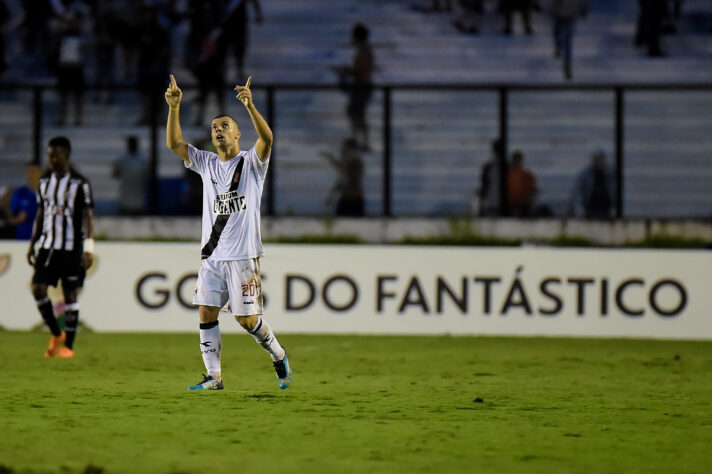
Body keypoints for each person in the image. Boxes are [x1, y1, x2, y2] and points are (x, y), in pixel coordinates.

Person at [165, 74, 292, 391]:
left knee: (246, 321)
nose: (217, 130)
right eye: (213, 128)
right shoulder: (206, 163)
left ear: (238, 134)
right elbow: (174, 144)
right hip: (212, 255)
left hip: (243, 257)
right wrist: (174, 108)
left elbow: (268, 139)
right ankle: (214, 377)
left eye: (224, 126)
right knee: (206, 312)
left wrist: (250, 105)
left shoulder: (251, 163)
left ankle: (278, 354)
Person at [26, 136, 95, 358]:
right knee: (38, 289)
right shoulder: (44, 181)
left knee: (70, 295)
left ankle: (69, 347)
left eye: (55, 155)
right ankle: (56, 333)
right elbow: (40, 214)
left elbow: (88, 216)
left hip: (72, 247)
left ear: (66, 155)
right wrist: (32, 243)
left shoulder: (80, 183)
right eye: (49, 155)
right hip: (48, 246)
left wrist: (89, 247)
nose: (51, 159)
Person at [334, 22, 374, 150]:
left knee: (357, 114)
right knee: (354, 114)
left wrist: (346, 71)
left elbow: (361, 71)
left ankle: (363, 141)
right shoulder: (363, 52)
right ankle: (358, 139)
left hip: (362, 87)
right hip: (361, 87)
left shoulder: (364, 52)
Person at [319, 138, 365, 216]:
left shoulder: (355, 162)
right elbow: (343, 174)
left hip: (352, 199)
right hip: (349, 198)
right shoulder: (351, 162)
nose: (342, 150)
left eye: (344, 148)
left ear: (351, 149)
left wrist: (332, 194)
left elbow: (347, 179)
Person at [547, 0, 588, 80]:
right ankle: (566, 63)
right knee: (565, 39)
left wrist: (550, 11)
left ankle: (565, 62)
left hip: (563, 13)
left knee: (564, 37)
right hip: (567, 13)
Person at [569, 149, 616, 219]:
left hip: (606, 211)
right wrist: (579, 209)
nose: (599, 161)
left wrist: (615, 209)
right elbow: (577, 193)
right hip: (590, 211)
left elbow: (615, 192)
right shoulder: (586, 175)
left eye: (600, 159)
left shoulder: (610, 175)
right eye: (596, 159)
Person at [112, 136, 148, 215]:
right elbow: (115, 174)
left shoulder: (122, 160)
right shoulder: (143, 160)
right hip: (129, 198)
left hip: (137, 198)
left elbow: (115, 174)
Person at [8, 163, 42, 239]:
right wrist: (19, 218)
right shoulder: (19, 193)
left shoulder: (47, 193)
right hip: (23, 239)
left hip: (42, 239)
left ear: (40, 173)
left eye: (34, 172)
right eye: (29, 172)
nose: (31, 175)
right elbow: (10, 219)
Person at [478, 138, 506, 216]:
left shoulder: (506, 166)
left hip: (500, 204)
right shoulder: (488, 167)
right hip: (490, 203)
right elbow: (483, 187)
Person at [506, 150, 536, 217]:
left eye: (518, 160)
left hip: (523, 204)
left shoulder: (527, 175)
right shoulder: (506, 175)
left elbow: (531, 191)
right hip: (509, 204)